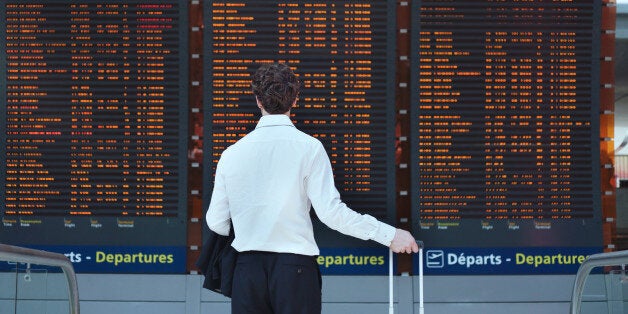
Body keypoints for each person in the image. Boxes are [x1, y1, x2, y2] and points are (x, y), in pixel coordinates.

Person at [206, 62, 419, 314]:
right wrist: (390, 235)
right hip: (294, 270)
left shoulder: (232, 154)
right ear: (294, 100)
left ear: (258, 101)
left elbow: (216, 223)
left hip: (247, 271)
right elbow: (332, 214)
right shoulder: (309, 148)